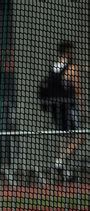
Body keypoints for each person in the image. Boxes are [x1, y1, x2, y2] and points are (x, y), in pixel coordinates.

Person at [43, 41, 84, 180]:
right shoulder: (72, 68)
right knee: (80, 136)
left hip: (55, 108)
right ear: (67, 52)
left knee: (63, 138)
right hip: (69, 106)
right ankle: (59, 162)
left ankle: (64, 169)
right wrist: (82, 108)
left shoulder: (54, 68)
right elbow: (77, 90)